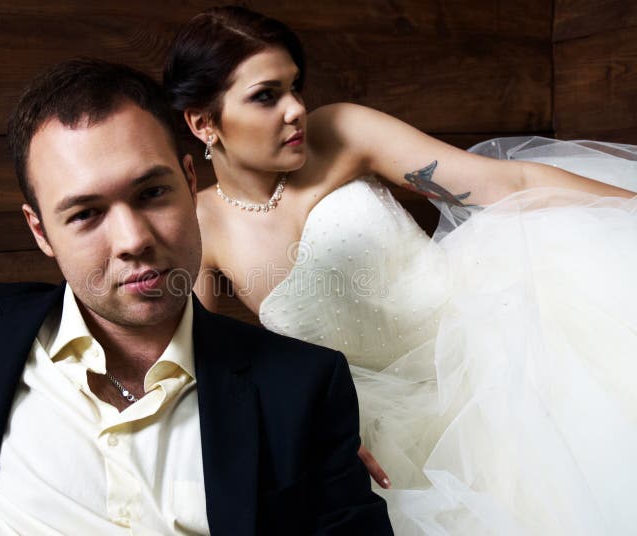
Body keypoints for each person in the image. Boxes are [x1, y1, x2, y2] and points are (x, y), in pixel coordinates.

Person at [0, 58, 394, 535]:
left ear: (187, 179)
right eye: (85, 214)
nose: (133, 241)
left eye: (152, 193)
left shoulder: (301, 389)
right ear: (39, 232)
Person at [163, 6, 637, 535]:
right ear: (204, 123)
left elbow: (509, 184)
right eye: (266, 96)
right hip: (374, 425)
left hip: (490, 350)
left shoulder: (341, 130)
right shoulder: (200, 224)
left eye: (296, 87)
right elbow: (198, 378)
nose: (296, 109)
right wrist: (303, 421)